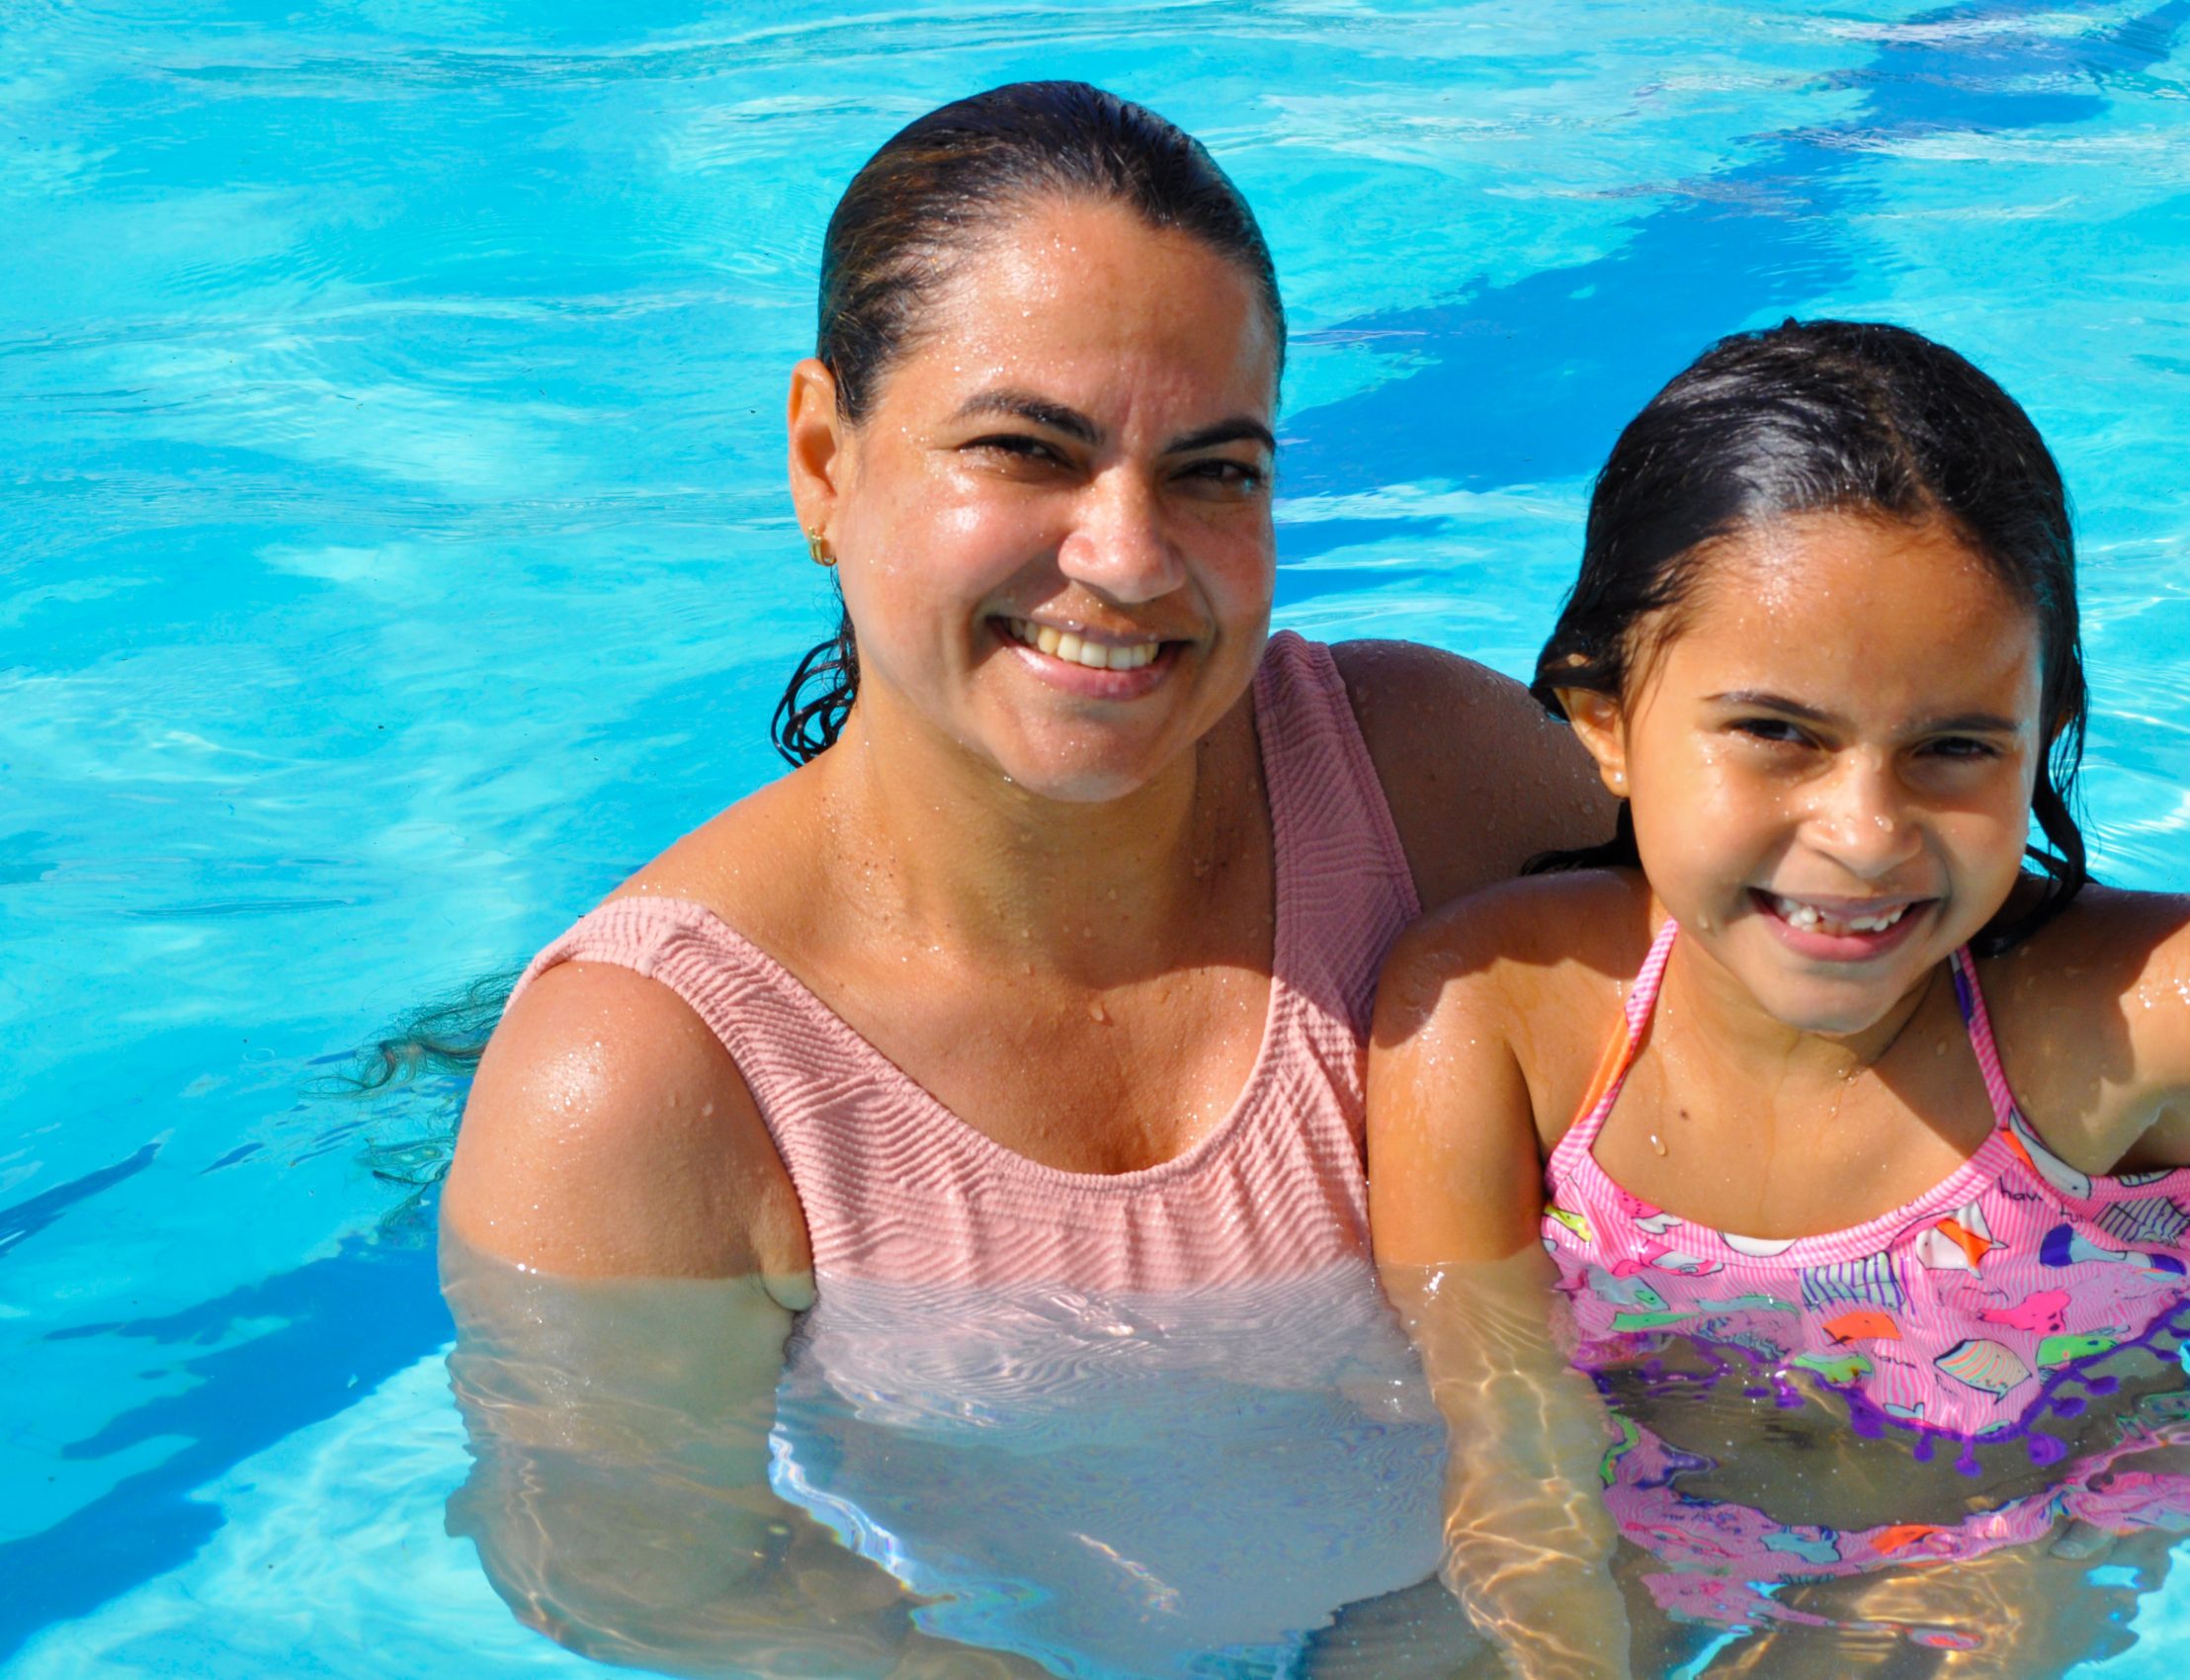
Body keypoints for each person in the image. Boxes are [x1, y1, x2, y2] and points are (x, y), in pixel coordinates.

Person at [438, 82, 1608, 1676]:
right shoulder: (639, 1083)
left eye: (1217, 470)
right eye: (1025, 449)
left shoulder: (1436, 790)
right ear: (822, 462)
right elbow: (638, 1560)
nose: (1129, 558)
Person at [1366, 318, 2190, 1676]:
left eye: (1957, 748)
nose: (1865, 834)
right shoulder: (1493, 1008)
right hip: (1671, 1508)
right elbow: (1500, 1423)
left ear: (2044, 735)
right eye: (1778, 734)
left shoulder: (2109, 1013)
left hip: (2020, 1525)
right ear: (1604, 717)